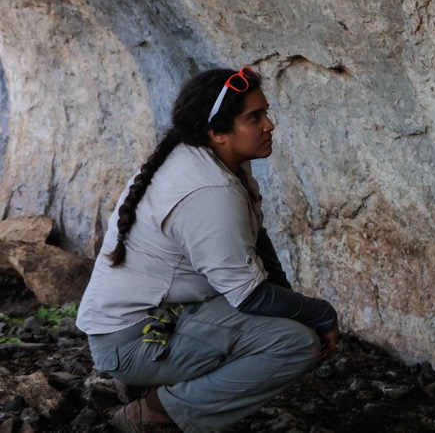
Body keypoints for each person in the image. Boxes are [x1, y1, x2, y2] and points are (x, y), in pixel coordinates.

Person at [76, 67, 339, 433]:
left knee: (287, 321)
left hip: (159, 315)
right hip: (135, 339)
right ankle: (156, 411)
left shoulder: (210, 160)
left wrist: (293, 305)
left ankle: (160, 384)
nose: (269, 125)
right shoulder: (209, 191)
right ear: (217, 132)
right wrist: (320, 314)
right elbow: (251, 297)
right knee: (294, 344)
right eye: (254, 117)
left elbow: (256, 243)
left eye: (265, 113)